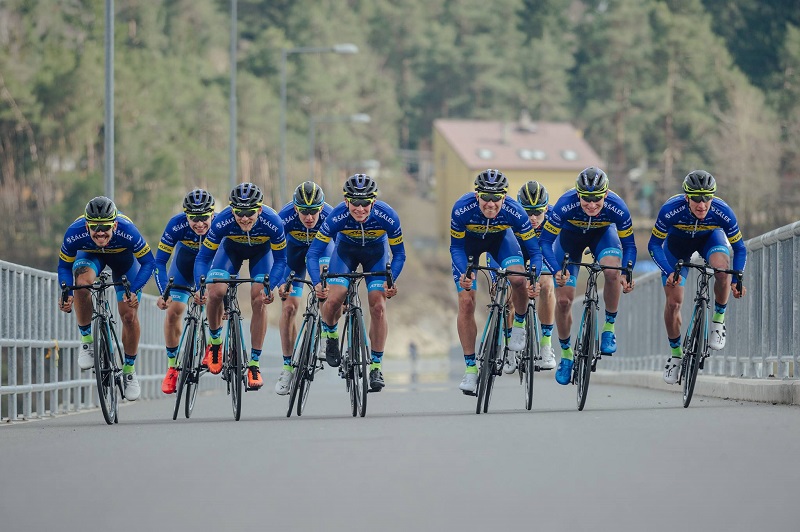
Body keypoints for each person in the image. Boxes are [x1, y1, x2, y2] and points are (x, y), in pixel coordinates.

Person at [306, 173, 406, 392]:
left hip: (376, 256)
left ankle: (376, 367)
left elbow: (399, 254)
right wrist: (317, 283)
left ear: (373, 202)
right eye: (355, 203)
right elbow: (313, 253)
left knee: (378, 306)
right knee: (334, 299)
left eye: (365, 203)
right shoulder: (337, 216)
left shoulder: (388, 216)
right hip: (345, 254)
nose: (360, 208)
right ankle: (331, 334)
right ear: (346, 201)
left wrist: (391, 281)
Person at [538, 167, 636, 385]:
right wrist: (556, 270)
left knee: (612, 271)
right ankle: (566, 355)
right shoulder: (565, 204)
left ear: (606, 194)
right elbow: (545, 242)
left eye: (597, 199)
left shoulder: (618, 206)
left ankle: (609, 328)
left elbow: (629, 245)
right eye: (586, 199)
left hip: (603, 237)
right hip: (569, 242)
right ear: (578, 194)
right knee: (563, 301)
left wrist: (627, 272)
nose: (592, 205)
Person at [648, 170, 747, 384]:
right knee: (673, 303)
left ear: (712, 197)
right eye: (696, 199)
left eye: (707, 198)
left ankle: (718, 320)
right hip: (677, 246)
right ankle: (676, 354)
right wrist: (668, 270)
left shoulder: (723, 212)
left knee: (722, 269)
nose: (702, 205)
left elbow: (740, 248)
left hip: (710, 240)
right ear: (687, 197)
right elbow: (653, 245)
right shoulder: (670, 210)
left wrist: (737, 279)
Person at [450, 169, 542, 395]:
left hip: (501, 243)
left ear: (504, 197)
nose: (490, 204)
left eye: (496, 198)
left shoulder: (515, 211)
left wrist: (534, 279)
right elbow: (456, 247)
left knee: (518, 279)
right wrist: (464, 273)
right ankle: (470, 369)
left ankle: (518, 326)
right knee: (466, 302)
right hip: (468, 248)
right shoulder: (461, 209)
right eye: (486, 197)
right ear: (477, 195)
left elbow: (534, 252)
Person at [57, 196, 155, 401]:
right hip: (90, 256)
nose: (100, 232)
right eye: (95, 227)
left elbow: (148, 263)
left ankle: (129, 370)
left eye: (105, 227)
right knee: (81, 284)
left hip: (123, 261)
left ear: (115, 225)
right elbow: (64, 266)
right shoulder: (74, 232)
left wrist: (134, 290)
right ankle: (87, 341)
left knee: (129, 316)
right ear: (87, 226)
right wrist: (66, 293)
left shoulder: (128, 231)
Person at [193, 183, 287, 390]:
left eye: (249, 213)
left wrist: (271, 286)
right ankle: (215, 343)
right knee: (216, 292)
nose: (244, 218)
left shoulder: (273, 222)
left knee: (259, 297)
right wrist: (200, 286)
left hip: (261, 254)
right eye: (239, 213)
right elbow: (203, 257)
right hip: (230, 252)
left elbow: (281, 261)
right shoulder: (222, 221)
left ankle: (254, 364)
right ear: (232, 210)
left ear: (259, 210)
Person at [273, 181, 334, 395]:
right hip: (294, 256)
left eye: (314, 211)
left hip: (323, 252)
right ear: (295, 208)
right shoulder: (284, 217)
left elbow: (342, 250)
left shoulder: (330, 215)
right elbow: (276, 255)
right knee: (289, 308)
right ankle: (288, 367)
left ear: (321, 208)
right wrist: (280, 282)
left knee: (326, 285)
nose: (309, 217)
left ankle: (327, 334)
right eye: (304, 212)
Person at [154, 189, 216, 394]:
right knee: (174, 311)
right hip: (184, 265)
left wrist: (211, 291)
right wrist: (164, 293)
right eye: (194, 218)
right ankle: (173, 367)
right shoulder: (176, 224)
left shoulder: (220, 225)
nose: (199, 223)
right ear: (186, 216)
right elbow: (160, 262)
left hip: (211, 265)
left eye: (204, 217)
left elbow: (228, 261)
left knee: (216, 297)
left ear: (212, 214)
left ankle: (214, 345)